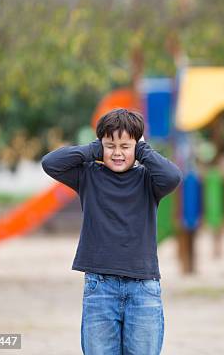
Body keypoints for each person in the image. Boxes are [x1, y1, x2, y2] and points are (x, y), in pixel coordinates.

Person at [41, 108, 182, 355]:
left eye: (125, 147)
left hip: (143, 287)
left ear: (137, 147)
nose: (117, 153)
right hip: (100, 286)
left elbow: (173, 176)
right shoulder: (88, 176)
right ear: (100, 146)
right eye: (110, 146)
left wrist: (143, 151)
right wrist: (94, 150)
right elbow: (50, 163)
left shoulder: (149, 181)